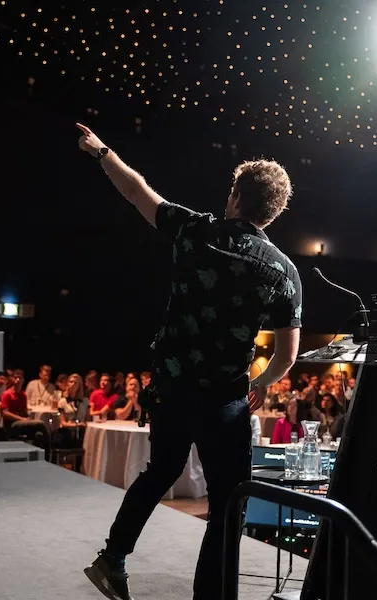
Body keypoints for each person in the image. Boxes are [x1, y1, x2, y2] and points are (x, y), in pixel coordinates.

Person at [77, 122, 301, 600]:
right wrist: (263, 380)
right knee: (226, 505)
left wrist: (102, 152)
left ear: (237, 194)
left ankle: (112, 558)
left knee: (161, 468)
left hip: (171, 387)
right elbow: (288, 354)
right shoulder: (284, 271)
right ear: (275, 211)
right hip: (225, 401)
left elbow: (137, 192)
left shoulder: (194, 229)